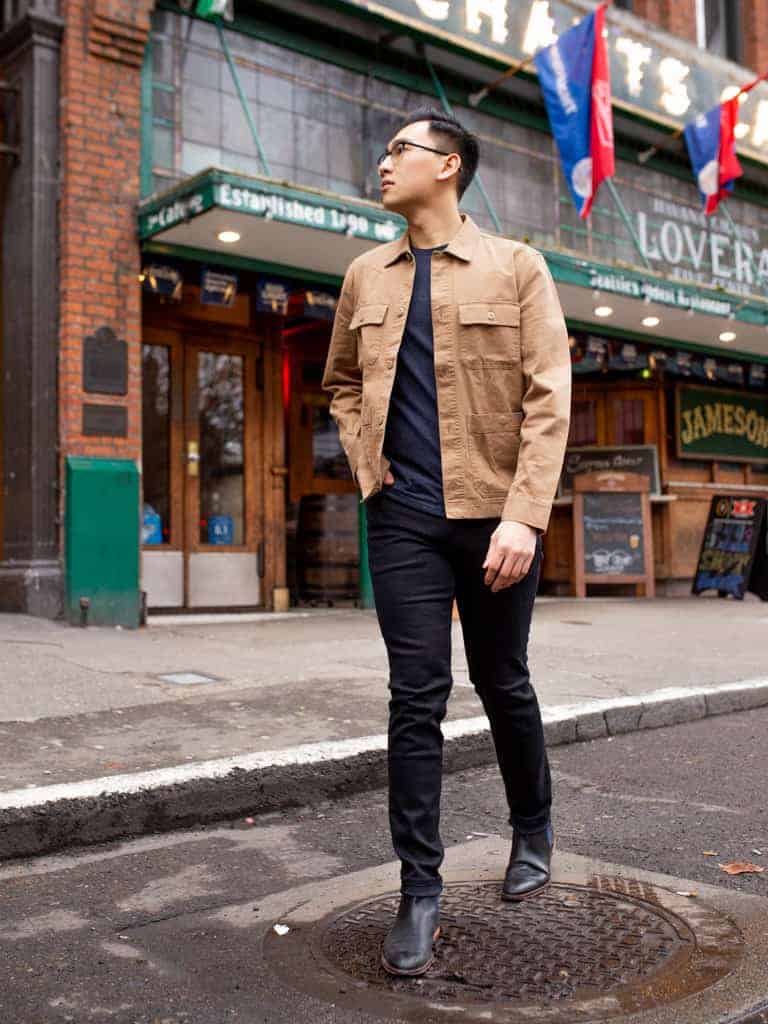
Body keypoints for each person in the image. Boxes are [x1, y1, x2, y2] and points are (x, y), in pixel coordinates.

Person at [322, 105, 572, 977]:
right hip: (404, 523)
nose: (383, 161)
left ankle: (531, 828)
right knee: (414, 698)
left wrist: (524, 514)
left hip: (497, 518)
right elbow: (342, 386)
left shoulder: (518, 267)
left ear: (451, 165)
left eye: (400, 149)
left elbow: (549, 395)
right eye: (385, 147)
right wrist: (367, 465)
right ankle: (418, 889)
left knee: (505, 680)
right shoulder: (366, 275)